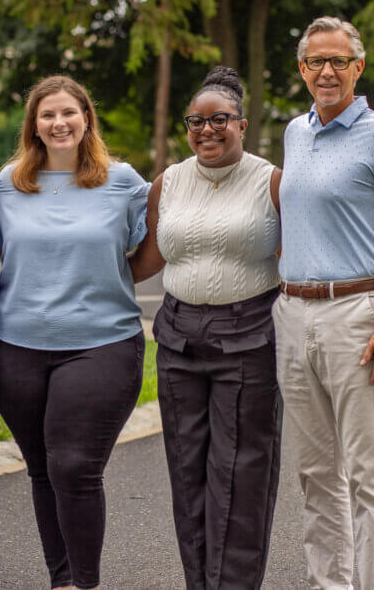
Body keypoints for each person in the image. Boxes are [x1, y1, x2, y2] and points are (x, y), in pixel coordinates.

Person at [273, 17, 374, 590]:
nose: (327, 71)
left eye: (339, 61)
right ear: (302, 69)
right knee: (315, 473)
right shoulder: (295, 132)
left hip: (360, 314)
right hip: (293, 315)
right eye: (316, 61)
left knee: (367, 472)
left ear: (358, 67)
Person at [0, 75, 150, 590]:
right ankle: (61, 581)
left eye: (68, 113)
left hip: (101, 343)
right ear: (33, 125)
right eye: (47, 115)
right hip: (15, 347)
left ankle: (85, 583)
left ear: (87, 119)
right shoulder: (8, 183)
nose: (59, 123)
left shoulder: (123, 182)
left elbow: (157, 245)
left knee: (75, 466)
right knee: (41, 468)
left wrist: (112, 276)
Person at [130, 66, 283, 590]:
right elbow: (148, 258)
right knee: (187, 470)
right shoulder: (168, 183)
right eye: (195, 121)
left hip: (250, 335)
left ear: (241, 123)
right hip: (178, 337)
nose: (206, 130)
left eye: (219, 119)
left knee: (240, 474)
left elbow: (299, 258)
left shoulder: (272, 180)